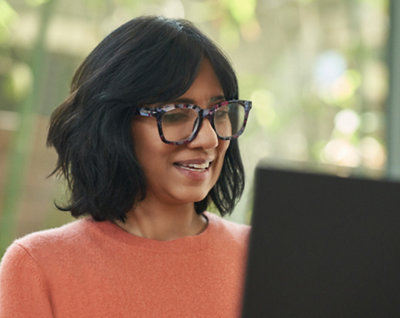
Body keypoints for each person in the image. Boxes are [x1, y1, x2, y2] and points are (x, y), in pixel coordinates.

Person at [0, 16, 252, 318]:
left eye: (219, 111)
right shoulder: (37, 267)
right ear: (112, 126)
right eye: (175, 114)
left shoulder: (266, 258)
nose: (208, 138)